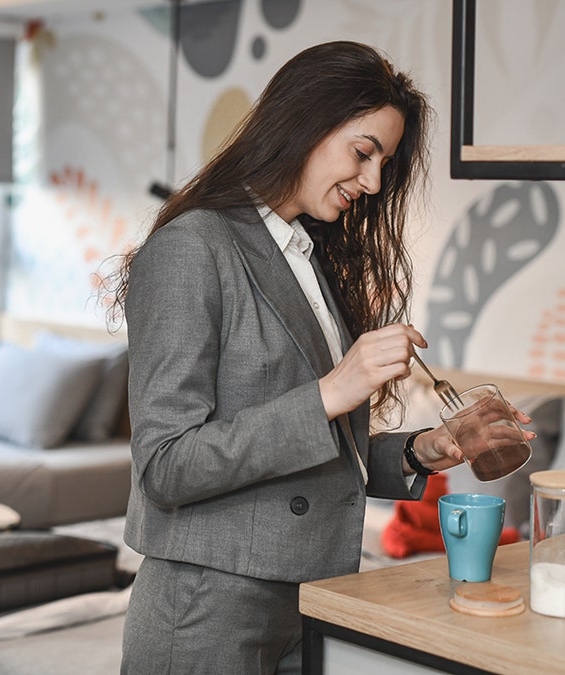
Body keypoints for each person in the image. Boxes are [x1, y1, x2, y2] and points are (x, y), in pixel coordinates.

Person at [111, 41, 535, 674]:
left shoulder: (306, 255)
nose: (372, 182)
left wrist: (431, 448)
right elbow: (167, 467)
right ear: (303, 123)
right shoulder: (192, 248)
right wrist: (334, 390)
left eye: (383, 163)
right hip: (208, 607)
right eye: (362, 153)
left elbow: (320, 454)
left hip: (309, 595)